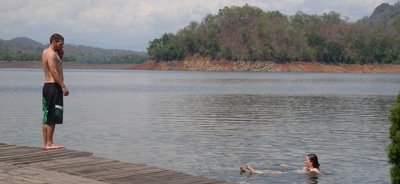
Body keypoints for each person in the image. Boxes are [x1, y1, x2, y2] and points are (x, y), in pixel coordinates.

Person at [41, 33, 69, 150]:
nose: (62, 46)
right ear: (54, 42)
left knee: (47, 114)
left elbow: (53, 68)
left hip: (47, 86)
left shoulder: (45, 52)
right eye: (60, 44)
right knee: (53, 114)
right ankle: (49, 143)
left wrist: (60, 57)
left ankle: (47, 143)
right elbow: (53, 71)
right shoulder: (52, 54)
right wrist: (63, 86)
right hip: (53, 86)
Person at [240, 154, 323, 175]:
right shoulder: (306, 168)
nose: (305, 161)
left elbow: (320, 173)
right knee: (270, 171)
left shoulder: (314, 169)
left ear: (311, 162)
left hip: (291, 174)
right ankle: (247, 171)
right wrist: (286, 165)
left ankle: (253, 172)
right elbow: (297, 167)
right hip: (292, 172)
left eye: (306, 160)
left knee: (275, 172)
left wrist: (318, 172)